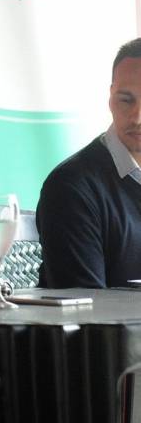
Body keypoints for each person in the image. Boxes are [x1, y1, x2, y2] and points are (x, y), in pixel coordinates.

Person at [37, 38, 141, 288]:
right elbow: (88, 315)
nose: (137, 117)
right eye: (126, 100)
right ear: (110, 99)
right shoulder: (70, 188)